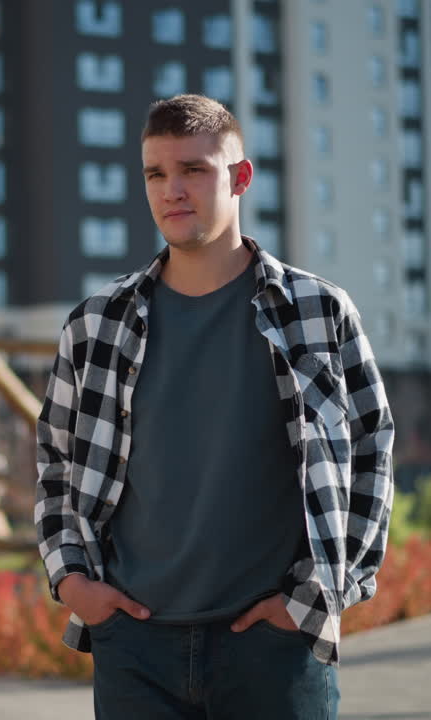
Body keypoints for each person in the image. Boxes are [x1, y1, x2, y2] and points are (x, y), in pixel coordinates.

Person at [34, 94, 395, 719]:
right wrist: (72, 582)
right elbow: (55, 464)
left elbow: (372, 451)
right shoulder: (96, 325)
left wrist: (320, 596)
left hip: (274, 647)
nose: (172, 190)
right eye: (156, 173)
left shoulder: (317, 313)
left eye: (194, 170)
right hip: (135, 648)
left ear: (240, 177)